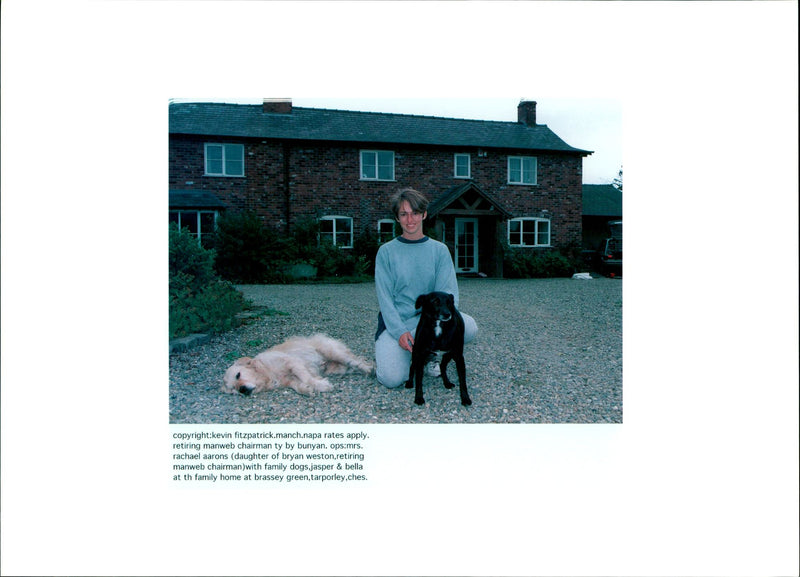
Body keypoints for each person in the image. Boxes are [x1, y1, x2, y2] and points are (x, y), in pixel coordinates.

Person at [374, 188, 478, 388]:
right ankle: (404, 352)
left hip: (428, 321)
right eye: (404, 214)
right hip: (399, 323)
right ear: (397, 217)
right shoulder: (386, 252)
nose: (410, 219)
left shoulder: (439, 251)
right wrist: (399, 332)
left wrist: (427, 327)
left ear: (424, 214)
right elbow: (385, 299)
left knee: (469, 326)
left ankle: (430, 353)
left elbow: (448, 296)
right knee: (392, 379)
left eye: (414, 213)